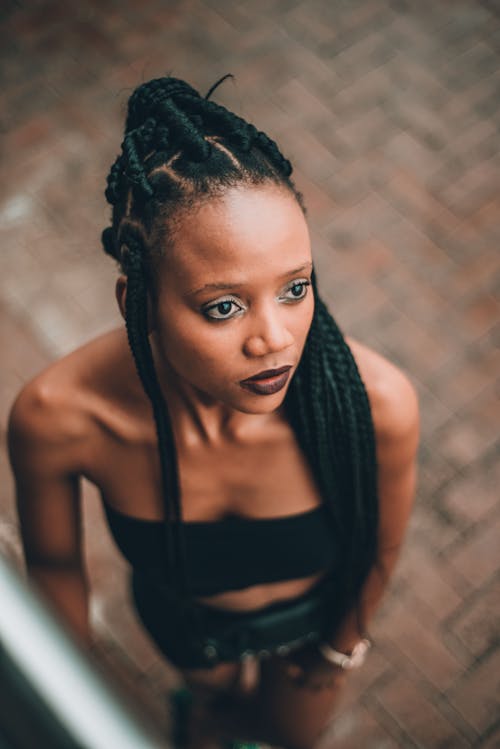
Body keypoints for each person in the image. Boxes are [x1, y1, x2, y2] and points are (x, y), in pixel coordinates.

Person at [7, 74, 419, 749]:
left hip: (311, 631)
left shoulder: (378, 405)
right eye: (223, 305)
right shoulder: (60, 419)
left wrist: (338, 648)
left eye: (294, 288)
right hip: (186, 628)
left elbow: (382, 546)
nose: (274, 339)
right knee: (210, 720)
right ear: (134, 302)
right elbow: (55, 566)